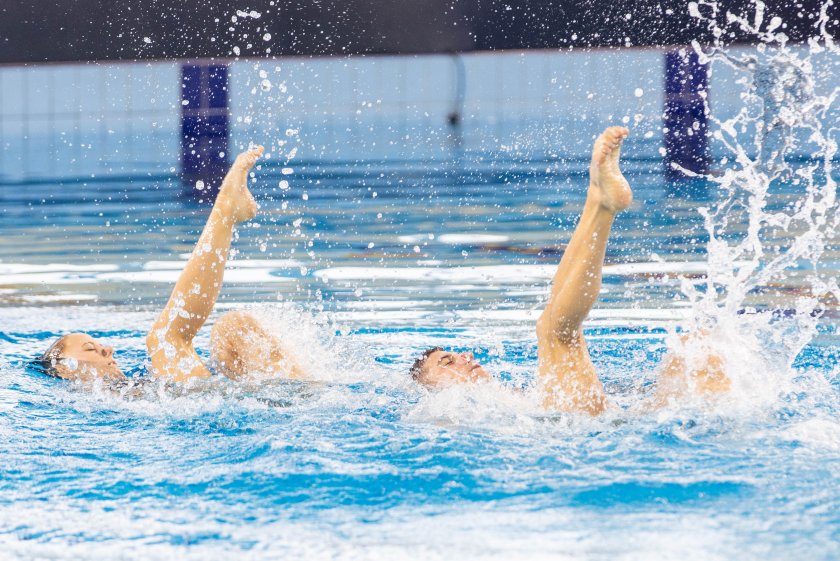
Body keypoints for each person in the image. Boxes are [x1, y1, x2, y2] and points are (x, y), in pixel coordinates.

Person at [209, 127, 729, 413]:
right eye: (448, 364)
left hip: (582, 426)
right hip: (570, 429)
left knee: (685, 355)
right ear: (429, 387)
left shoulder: (507, 406)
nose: (465, 362)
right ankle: (599, 204)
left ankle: (599, 201)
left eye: (456, 356)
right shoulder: (445, 418)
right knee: (556, 331)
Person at [35, 145, 266, 384]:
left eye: (96, 348)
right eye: (91, 350)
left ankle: (303, 389)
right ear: (65, 370)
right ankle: (225, 210)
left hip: (212, 404)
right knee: (164, 337)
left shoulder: (132, 392)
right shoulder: (93, 404)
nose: (108, 349)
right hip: (201, 406)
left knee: (234, 329)